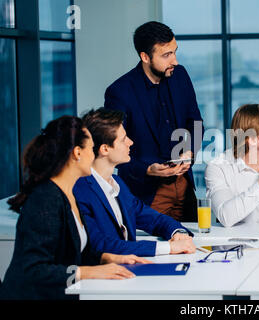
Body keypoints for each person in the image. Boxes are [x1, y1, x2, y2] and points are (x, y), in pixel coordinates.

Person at [0, 116, 149, 300]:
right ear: (77, 153)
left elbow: (73, 254)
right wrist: (86, 273)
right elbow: (33, 271)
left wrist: (106, 258)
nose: (94, 155)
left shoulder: (68, 194)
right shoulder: (46, 198)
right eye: (91, 148)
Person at [104, 21, 204, 222]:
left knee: (193, 243)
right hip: (148, 193)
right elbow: (114, 146)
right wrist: (148, 169)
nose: (174, 61)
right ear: (145, 57)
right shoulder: (120, 92)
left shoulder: (180, 76)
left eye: (174, 52)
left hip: (184, 186)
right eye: (166, 55)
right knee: (157, 251)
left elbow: (195, 123)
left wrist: (188, 152)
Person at [73, 108, 196, 257]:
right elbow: (99, 245)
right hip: (102, 276)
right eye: (124, 139)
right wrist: (168, 248)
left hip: (128, 272)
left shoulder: (118, 184)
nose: (130, 142)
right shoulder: (80, 190)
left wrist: (178, 232)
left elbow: (154, 219)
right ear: (105, 149)